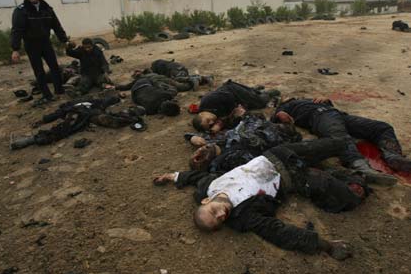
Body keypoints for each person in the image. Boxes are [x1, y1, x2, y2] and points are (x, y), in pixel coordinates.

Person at [154, 138, 368, 260]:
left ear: (206, 201)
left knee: (337, 144)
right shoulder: (245, 217)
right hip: (294, 177)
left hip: (278, 154)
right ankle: (358, 176)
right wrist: (326, 245)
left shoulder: (208, 187)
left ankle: (356, 159)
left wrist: (173, 176)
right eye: (219, 220)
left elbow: (196, 176)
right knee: (348, 198)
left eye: (213, 212)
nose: (221, 214)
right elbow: (279, 232)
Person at [273, 97, 409, 183]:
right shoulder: (286, 106)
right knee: (340, 137)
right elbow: (276, 118)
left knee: (381, 127)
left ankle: (393, 156)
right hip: (320, 117)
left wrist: (325, 100)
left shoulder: (308, 99)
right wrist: (281, 113)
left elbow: (330, 105)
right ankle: (360, 167)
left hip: (338, 115)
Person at [10, 91, 144, 150]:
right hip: (77, 115)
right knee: (64, 128)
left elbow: (107, 100)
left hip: (91, 115)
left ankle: (131, 117)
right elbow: (57, 114)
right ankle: (32, 140)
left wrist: (118, 96)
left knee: (108, 120)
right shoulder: (69, 106)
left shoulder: (94, 101)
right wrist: (43, 120)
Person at [11, 0, 68, 106]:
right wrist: (15, 49)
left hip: (45, 42)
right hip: (31, 45)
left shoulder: (47, 9)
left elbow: (57, 26)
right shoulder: (21, 11)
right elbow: (16, 30)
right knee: (39, 71)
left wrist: (64, 40)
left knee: (54, 67)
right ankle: (47, 95)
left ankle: (59, 90)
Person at [192, 80, 280, 133]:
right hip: (234, 95)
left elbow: (229, 97)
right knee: (251, 101)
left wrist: (233, 112)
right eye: (209, 125)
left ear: (201, 114)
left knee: (260, 102)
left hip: (233, 91)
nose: (211, 122)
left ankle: (269, 93)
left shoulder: (208, 101)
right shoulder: (210, 114)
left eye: (208, 121)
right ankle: (254, 90)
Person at [115, 74, 181, 116]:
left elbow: (173, 91)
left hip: (141, 85)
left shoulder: (166, 95)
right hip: (135, 93)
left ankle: (117, 87)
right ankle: (117, 87)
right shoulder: (150, 111)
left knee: (154, 83)